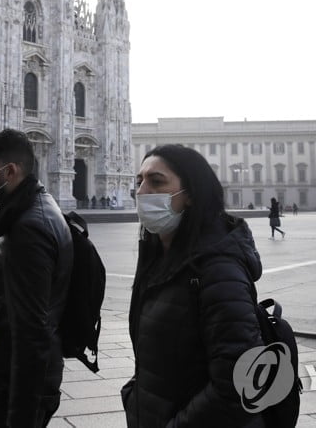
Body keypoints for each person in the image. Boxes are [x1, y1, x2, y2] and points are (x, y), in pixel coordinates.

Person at [122, 144, 264, 427]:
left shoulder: (218, 269)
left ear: (190, 195)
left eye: (156, 181)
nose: (141, 192)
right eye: (139, 182)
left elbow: (238, 384)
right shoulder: (160, 260)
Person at [0, 129, 73, 427]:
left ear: (10, 171)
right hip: (10, 370)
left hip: (14, 380)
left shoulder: (29, 225)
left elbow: (32, 332)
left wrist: (21, 418)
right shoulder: (29, 209)